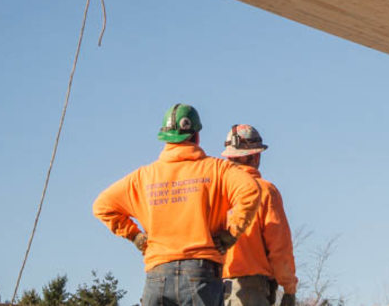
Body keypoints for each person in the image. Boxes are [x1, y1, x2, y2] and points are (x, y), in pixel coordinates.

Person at [93, 104, 263, 306]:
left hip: (157, 275)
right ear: (196, 136)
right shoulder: (216, 169)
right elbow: (250, 189)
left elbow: (102, 206)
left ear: (165, 138)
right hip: (201, 274)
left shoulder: (143, 177)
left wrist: (134, 235)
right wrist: (231, 233)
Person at [220, 124, 298, 306]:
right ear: (255, 156)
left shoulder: (214, 192)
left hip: (210, 289)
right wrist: (289, 289)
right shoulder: (265, 191)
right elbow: (280, 248)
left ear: (229, 156)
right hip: (250, 291)